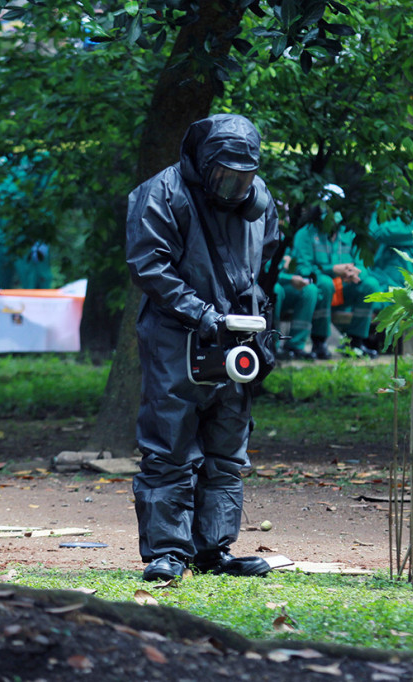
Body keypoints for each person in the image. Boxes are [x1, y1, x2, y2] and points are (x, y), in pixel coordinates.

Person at [126, 114, 281, 581]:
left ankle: (213, 549)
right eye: (224, 177)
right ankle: (168, 552)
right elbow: (149, 266)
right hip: (177, 337)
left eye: (243, 178)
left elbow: (265, 262)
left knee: (227, 447)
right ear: (204, 164)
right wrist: (202, 314)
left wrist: (256, 327)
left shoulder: (259, 200)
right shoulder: (162, 192)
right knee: (169, 444)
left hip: (237, 337)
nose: (234, 188)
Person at [291, 184, 382, 359]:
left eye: (336, 205)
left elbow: (363, 265)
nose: (332, 211)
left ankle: (355, 342)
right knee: (325, 283)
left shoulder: (349, 234)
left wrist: (355, 273)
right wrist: (332, 270)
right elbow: (304, 269)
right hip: (321, 290)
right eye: (328, 205)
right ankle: (319, 342)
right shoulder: (306, 234)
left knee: (371, 284)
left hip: (345, 289)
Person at [272, 251, 318, 360]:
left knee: (310, 290)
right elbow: (263, 271)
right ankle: (272, 343)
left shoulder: (292, 243)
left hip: (289, 287)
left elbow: (305, 266)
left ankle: (296, 346)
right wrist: (289, 277)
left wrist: (302, 276)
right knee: (276, 290)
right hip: (270, 284)